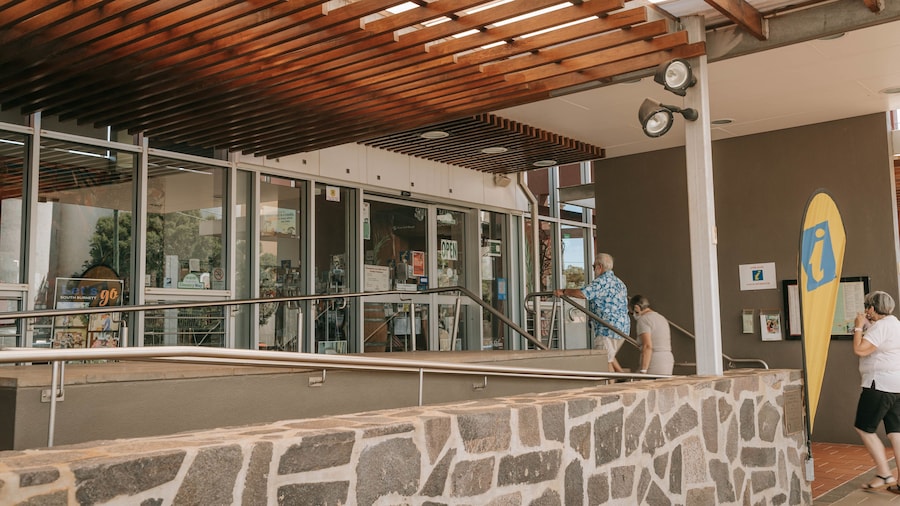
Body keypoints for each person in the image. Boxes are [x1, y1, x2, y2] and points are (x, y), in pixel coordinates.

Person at [851, 290, 900, 491]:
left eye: (867, 307)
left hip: (878, 385)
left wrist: (858, 327)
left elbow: (860, 349)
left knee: (864, 428)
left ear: (872, 308)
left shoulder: (881, 327)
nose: (865, 311)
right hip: (896, 386)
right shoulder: (895, 324)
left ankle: (884, 473)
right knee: (896, 433)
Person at [554, 253, 629, 372]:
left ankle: (610, 387)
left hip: (607, 328)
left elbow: (583, 293)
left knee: (604, 360)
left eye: (594, 267)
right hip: (622, 327)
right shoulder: (619, 283)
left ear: (599, 266)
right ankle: (623, 376)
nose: (594, 270)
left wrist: (564, 291)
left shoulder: (602, 281)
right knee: (609, 356)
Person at [629, 294, 674, 375]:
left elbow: (647, 346)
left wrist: (643, 370)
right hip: (668, 359)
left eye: (631, 313)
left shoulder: (643, 320)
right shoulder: (661, 318)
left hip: (654, 361)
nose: (633, 315)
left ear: (637, 308)